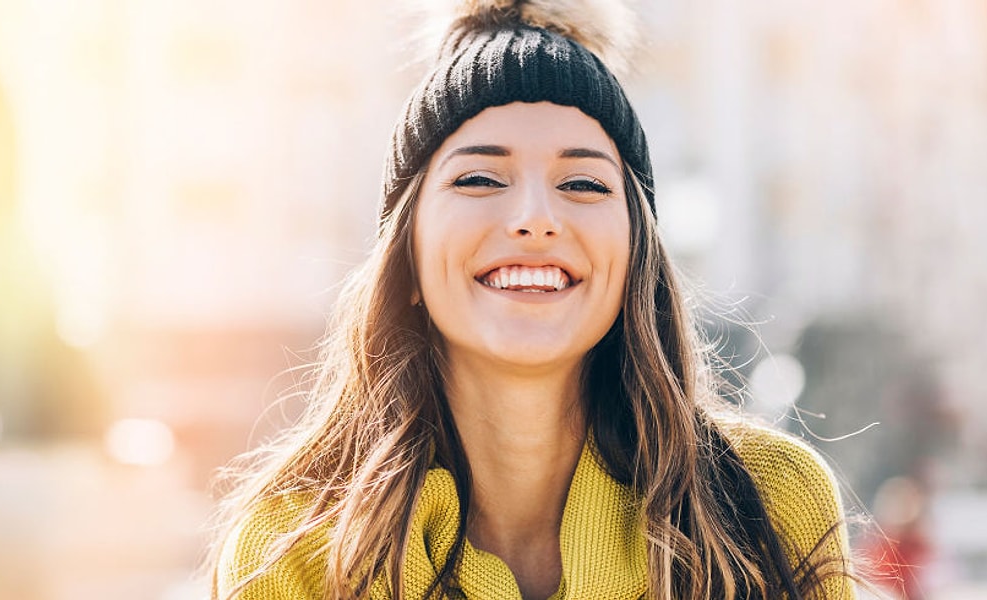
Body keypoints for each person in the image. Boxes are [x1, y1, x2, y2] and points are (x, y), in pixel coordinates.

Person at [209, 1, 858, 598]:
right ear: (405, 255)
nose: (534, 217)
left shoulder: (766, 503)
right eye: (480, 177)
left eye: (581, 182)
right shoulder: (291, 546)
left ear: (636, 255)